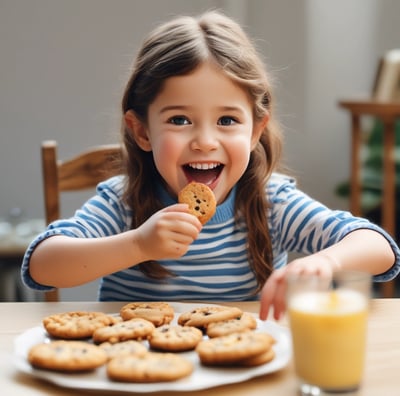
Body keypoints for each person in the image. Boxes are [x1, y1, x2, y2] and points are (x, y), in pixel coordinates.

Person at [22, 11, 399, 320]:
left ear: (255, 131)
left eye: (227, 121)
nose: (205, 140)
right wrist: (138, 244)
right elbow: (42, 265)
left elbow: (380, 248)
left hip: (245, 370)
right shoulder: (123, 204)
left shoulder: (272, 203)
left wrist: (324, 262)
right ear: (142, 132)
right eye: (180, 120)